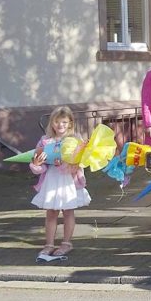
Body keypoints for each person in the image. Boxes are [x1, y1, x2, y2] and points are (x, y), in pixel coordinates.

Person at [30, 107, 91, 259]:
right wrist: (36, 164)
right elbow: (40, 165)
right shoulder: (45, 140)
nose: (60, 125)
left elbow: (80, 163)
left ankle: (66, 243)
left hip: (68, 181)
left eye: (64, 122)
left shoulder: (76, 140)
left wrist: (67, 163)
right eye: (57, 122)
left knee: (68, 211)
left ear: (70, 123)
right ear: (52, 123)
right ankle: (49, 244)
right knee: (51, 212)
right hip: (51, 180)